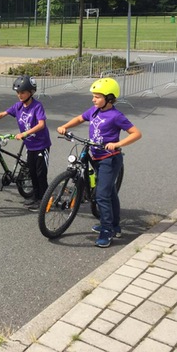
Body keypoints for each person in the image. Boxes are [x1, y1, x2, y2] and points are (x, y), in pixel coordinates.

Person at [57, 77, 142, 248]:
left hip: (109, 159)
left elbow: (136, 133)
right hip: (96, 157)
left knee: (102, 195)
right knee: (110, 192)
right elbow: (80, 118)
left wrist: (117, 144)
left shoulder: (116, 116)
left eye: (97, 97)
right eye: (93, 96)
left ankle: (107, 231)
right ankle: (115, 226)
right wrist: (65, 126)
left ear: (109, 98)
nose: (93, 99)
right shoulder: (94, 111)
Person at [0, 75, 51, 211]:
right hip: (30, 146)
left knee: (40, 174)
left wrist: (24, 133)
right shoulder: (18, 107)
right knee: (32, 172)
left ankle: (44, 200)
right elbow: (3, 114)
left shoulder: (37, 106)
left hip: (41, 145)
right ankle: (36, 197)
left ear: (31, 92)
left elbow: (41, 124)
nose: (19, 95)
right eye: (18, 92)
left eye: (22, 92)